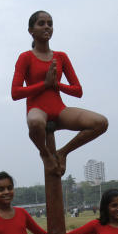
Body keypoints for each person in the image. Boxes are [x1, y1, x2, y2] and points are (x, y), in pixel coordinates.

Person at [11, 10, 107, 176]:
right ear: (31, 31)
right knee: (34, 122)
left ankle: (63, 152)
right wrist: (44, 84)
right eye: (41, 23)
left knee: (100, 122)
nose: (47, 27)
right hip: (37, 109)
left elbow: (78, 91)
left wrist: (57, 85)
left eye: (50, 23)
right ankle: (45, 154)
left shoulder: (61, 56)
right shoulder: (25, 57)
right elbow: (15, 93)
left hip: (59, 109)